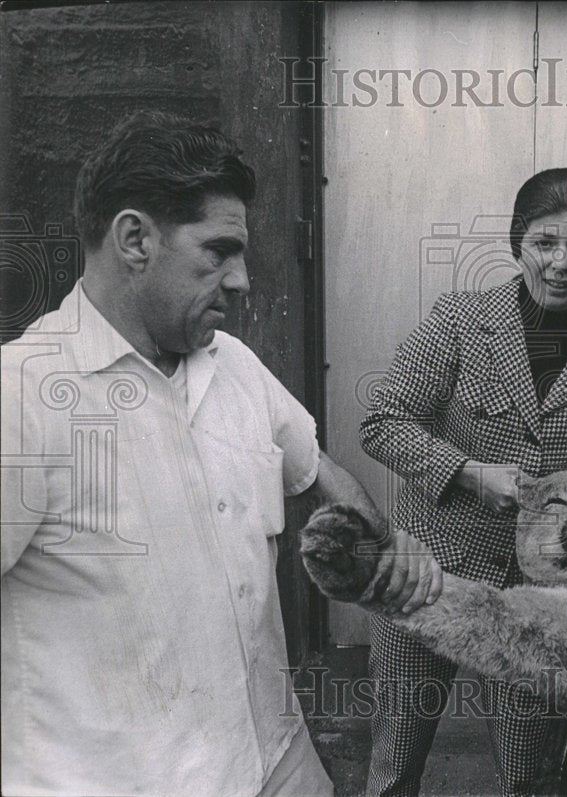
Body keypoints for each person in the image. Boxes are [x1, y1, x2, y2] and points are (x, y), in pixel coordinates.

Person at [0, 110, 441, 796]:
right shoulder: (23, 398)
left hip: (279, 758)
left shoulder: (231, 362)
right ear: (135, 239)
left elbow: (316, 469)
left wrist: (387, 544)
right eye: (218, 251)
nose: (240, 280)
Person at [359, 167, 567, 796]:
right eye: (544, 245)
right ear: (515, 246)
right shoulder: (461, 321)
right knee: (396, 762)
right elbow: (383, 420)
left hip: (538, 592)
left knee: (531, 775)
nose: (560, 263)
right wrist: (467, 473)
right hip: (428, 575)